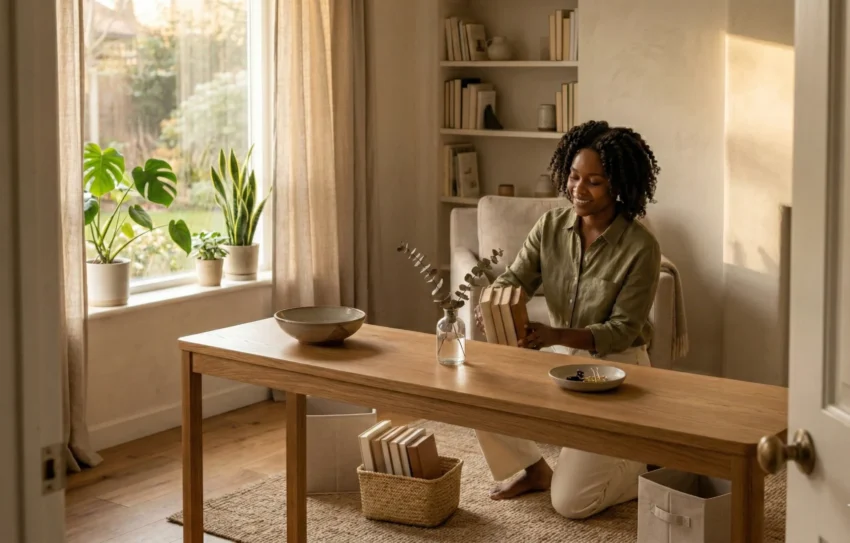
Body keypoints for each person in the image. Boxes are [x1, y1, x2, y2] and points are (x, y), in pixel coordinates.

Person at [474, 119, 662, 519]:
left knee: (571, 504)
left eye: (594, 181)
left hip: (617, 368)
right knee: (479, 381)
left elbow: (622, 331)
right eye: (575, 176)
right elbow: (516, 277)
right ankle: (533, 469)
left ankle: (643, 463)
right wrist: (496, 298)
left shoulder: (641, 247)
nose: (578, 189)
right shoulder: (551, 227)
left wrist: (551, 334)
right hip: (560, 358)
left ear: (618, 185)